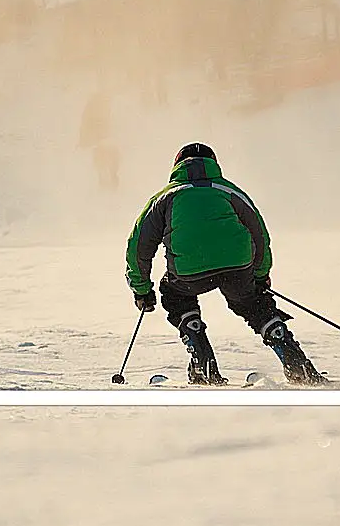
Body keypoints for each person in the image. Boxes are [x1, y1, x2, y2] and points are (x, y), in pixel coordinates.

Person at [124, 142, 328, 386]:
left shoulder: (165, 197)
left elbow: (139, 247)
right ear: (214, 163)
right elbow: (259, 234)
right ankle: (297, 365)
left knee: (175, 294)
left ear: (176, 165)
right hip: (238, 266)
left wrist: (142, 290)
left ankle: (202, 362)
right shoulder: (229, 191)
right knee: (254, 304)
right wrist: (260, 276)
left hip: (188, 272)